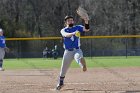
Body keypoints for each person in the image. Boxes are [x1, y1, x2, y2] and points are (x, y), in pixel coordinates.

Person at [56, 15, 90, 90]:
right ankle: (61, 83)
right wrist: (74, 33)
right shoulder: (63, 30)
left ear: (73, 21)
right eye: (68, 20)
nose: (70, 21)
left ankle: (83, 66)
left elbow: (87, 29)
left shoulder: (77, 27)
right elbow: (65, 35)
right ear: (66, 22)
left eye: (71, 20)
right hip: (67, 52)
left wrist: (86, 21)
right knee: (63, 69)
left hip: (76, 49)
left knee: (79, 57)